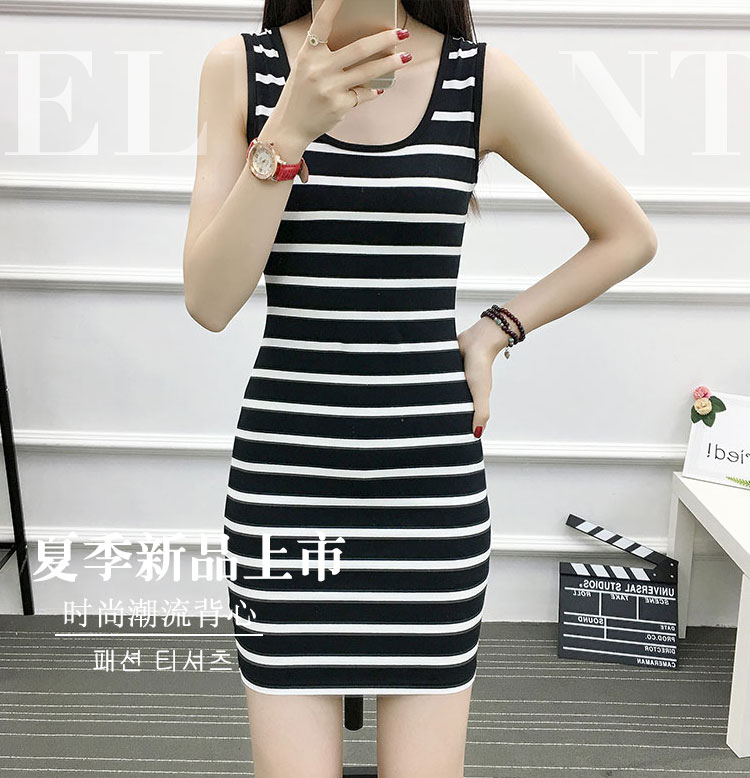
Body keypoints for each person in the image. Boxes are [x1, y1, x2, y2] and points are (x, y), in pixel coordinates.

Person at [182, 0, 658, 776]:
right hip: (288, 488)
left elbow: (628, 234)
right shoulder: (240, 69)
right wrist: (288, 132)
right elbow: (209, 301)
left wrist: (497, 329)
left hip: (429, 493)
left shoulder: (479, 81)